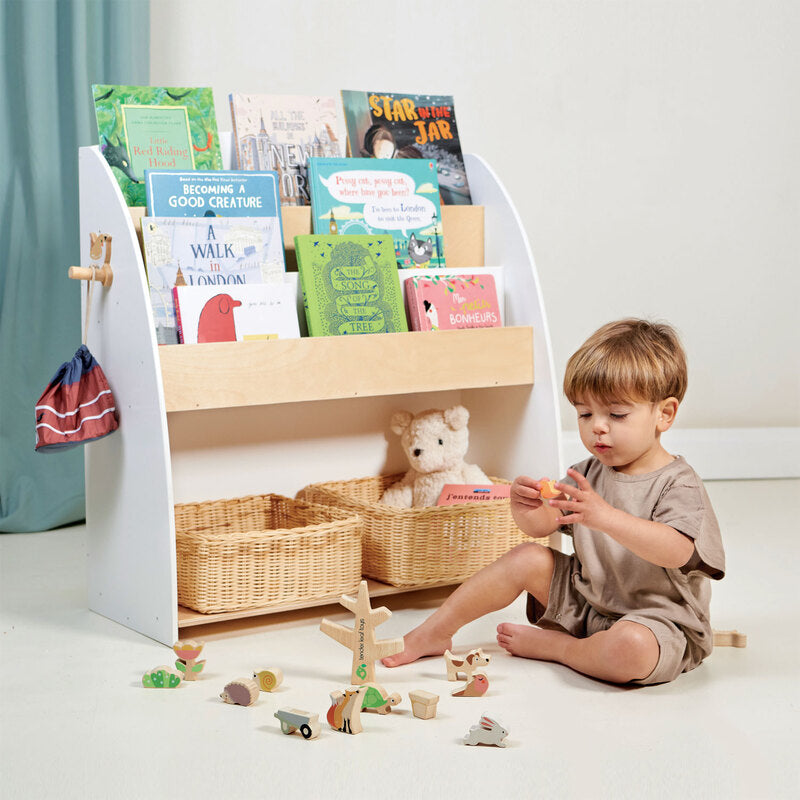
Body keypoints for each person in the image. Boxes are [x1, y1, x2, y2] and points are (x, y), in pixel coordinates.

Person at [383, 318, 725, 685]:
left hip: (657, 623)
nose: (597, 426)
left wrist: (606, 517)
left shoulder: (677, 483)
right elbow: (544, 526)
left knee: (632, 649)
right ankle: (435, 631)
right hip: (589, 603)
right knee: (526, 557)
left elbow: (677, 551)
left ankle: (561, 648)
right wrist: (527, 509)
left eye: (617, 414)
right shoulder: (587, 472)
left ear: (664, 414)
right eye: (585, 413)